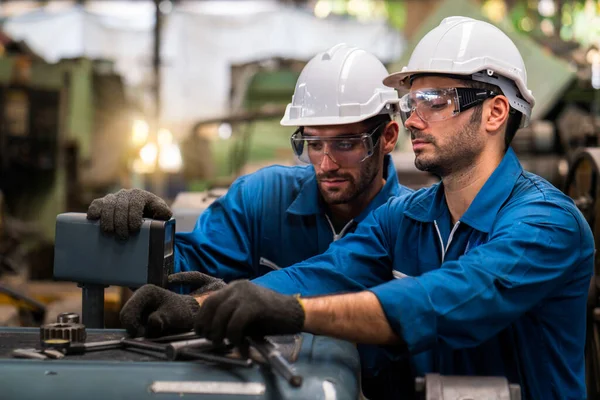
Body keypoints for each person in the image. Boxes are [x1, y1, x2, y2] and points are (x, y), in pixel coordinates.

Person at [188, 17, 595, 399]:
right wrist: (194, 306)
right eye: (411, 103)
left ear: (495, 112)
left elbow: (441, 300)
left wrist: (291, 313)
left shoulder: (547, 224)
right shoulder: (405, 217)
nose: (414, 120)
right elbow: (322, 276)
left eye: (433, 101)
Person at [87, 44, 413, 397]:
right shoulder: (262, 198)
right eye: (313, 144)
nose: (326, 164)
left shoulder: (416, 225)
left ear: (388, 138)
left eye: (345, 144)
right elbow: (181, 276)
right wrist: (146, 235)